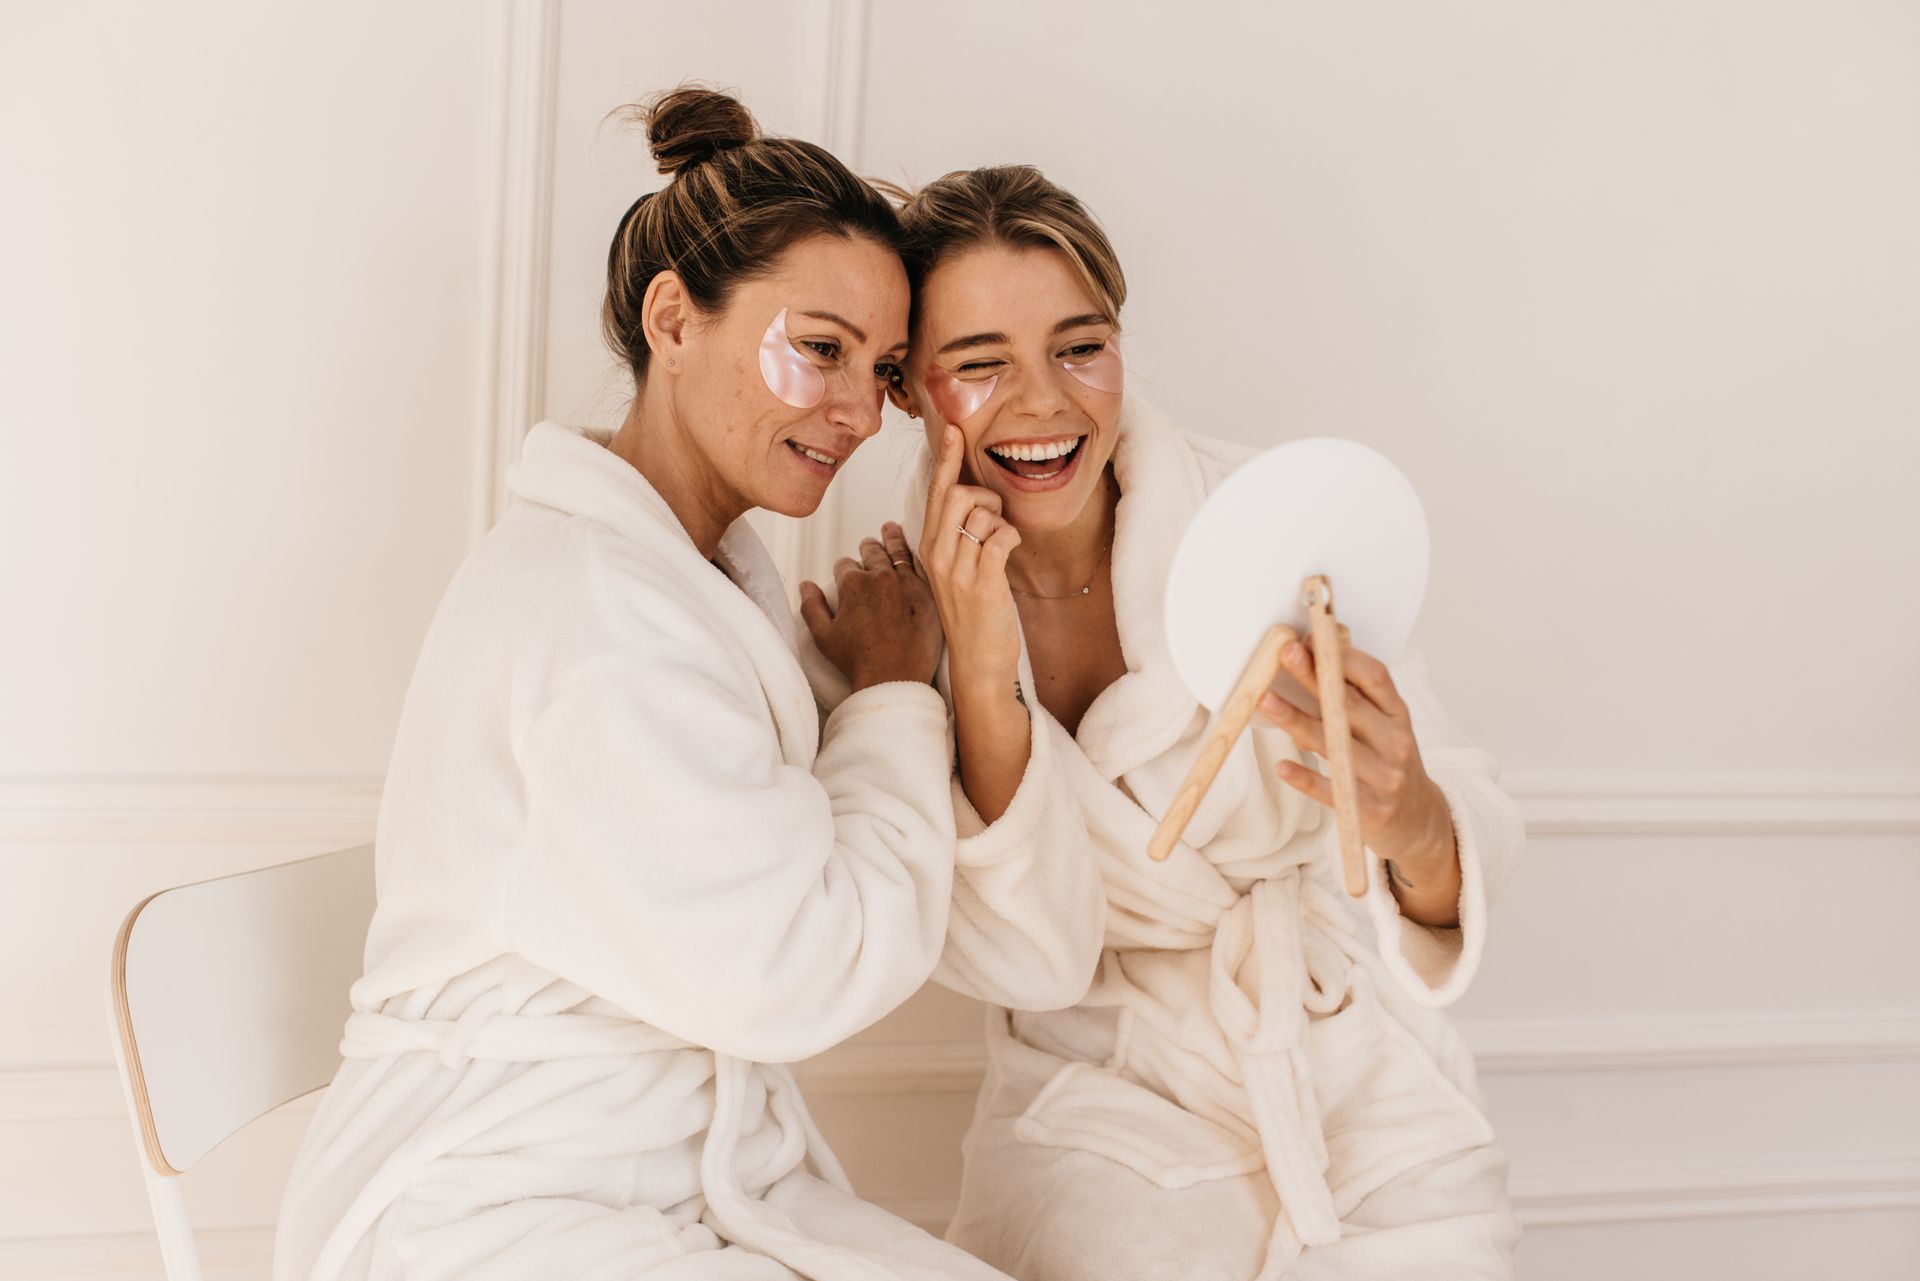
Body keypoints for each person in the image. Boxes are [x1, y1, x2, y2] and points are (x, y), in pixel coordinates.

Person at [273, 92, 1100, 1281]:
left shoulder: (694, 580)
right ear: (674, 317)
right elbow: (803, 969)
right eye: (818, 350)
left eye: (879, 372)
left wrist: (943, 664)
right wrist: (886, 698)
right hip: (491, 1202)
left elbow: (863, 859)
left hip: (657, 1177)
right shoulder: (599, 616)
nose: (859, 412)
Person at [859, 165, 1526, 1279]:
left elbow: (1467, 829)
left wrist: (1414, 820)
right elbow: (1022, 952)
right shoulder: (900, 623)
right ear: (912, 392)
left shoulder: (1267, 524)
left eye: (1081, 346)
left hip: (1350, 1082)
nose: (1045, 403)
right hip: (1098, 1103)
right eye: (980, 365)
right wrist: (979, 671)